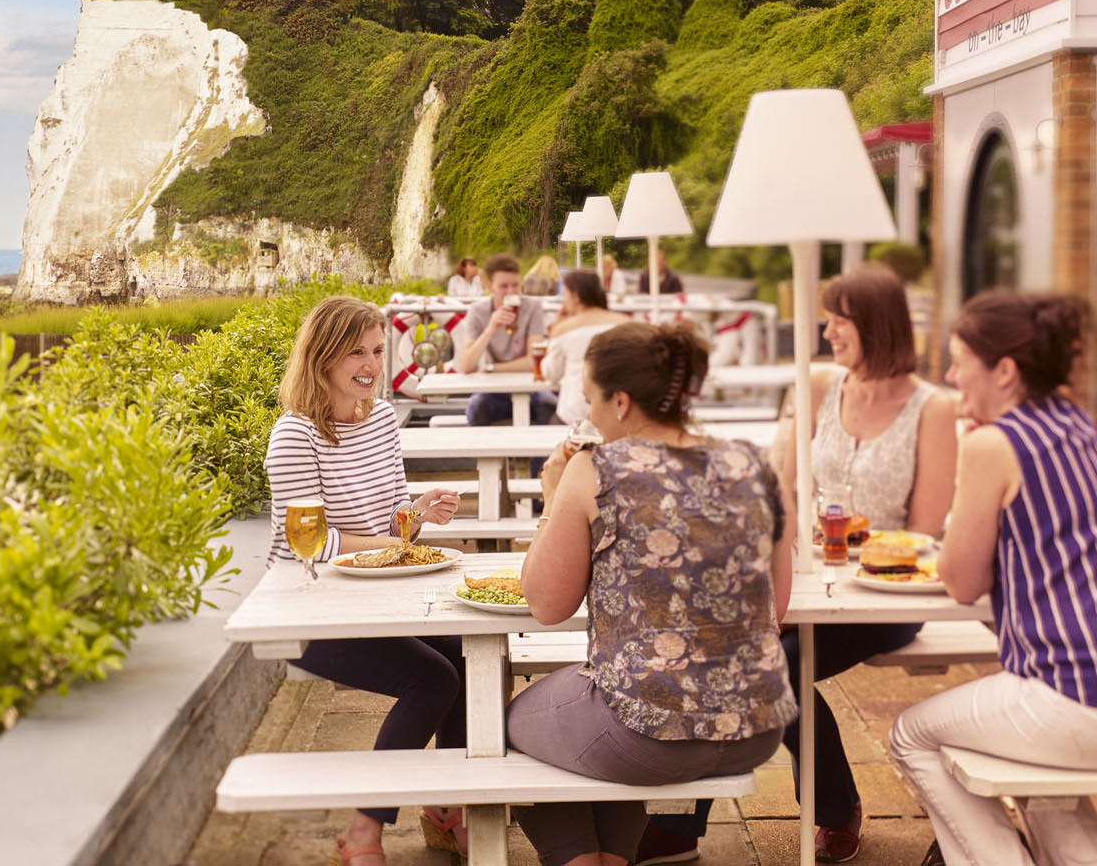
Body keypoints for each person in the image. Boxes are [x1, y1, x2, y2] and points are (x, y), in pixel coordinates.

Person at [641, 265, 956, 866]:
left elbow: (923, 531)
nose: (828, 331)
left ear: (877, 325)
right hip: (803, 576)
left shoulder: (932, 409)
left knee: (769, 669)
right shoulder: (817, 384)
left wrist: (855, 546)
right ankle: (806, 810)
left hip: (885, 594)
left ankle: (690, 827)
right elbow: (780, 488)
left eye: (841, 320)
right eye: (829, 318)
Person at [889, 292, 1097, 866]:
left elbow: (961, 582)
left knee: (911, 734)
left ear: (1005, 371)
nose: (948, 374)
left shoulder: (992, 444)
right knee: (1034, 761)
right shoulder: (1075, 421)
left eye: (959, 359)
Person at [507, 321, 795, 866]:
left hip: (650, 736)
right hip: (758, 724)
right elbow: (774, 608)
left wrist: (551, 498)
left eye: (590, 401)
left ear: (619, 401)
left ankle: (580, 860)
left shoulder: (596, 470)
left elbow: (546, 606)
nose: (586, 417)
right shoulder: (755, 464)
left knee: (514, 723)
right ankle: (615, 857)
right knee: (616, 714)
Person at [263, 295, 470, 865]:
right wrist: (399, 545)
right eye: (357, 351)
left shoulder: (379, 418)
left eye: (378, 350)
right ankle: (363, 830)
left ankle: (449, 809)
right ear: (323, 356)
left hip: (373, 594)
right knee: (434, 681)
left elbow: (389, 517)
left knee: (465, 653)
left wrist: (420, 511)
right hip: (306, 607)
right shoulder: (294, 436)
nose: (371, 363)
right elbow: (318, 542)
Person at [451, 253, 556, 426]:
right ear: (490, 286)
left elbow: (533, 362)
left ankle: (540, 455)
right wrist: (491, 327)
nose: (511, 292)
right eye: (504, 286)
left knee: (549, 406)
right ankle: (487, 454)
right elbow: (466, 365)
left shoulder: (532, 307)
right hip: (494, 390)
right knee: (477, 407)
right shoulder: (478, 311)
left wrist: (492, 368)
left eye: (515, 285)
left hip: (530, 388)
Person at [543, 268, 623, 426]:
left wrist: (555, 330)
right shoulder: (625, 323)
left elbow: (551, 374)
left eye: (565, 295)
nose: (563, 302)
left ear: (576, 296)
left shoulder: (565, 328)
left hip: (575, 415)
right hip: (619, 415)